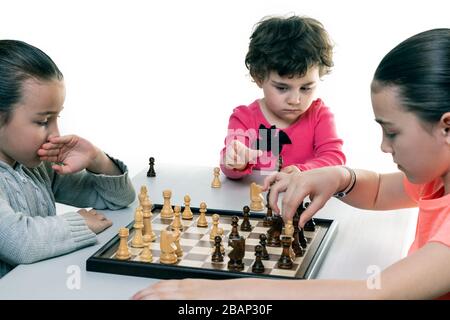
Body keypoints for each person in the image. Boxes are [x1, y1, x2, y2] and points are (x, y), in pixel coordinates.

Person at [133, 28, 450, 299]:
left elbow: (376, 292)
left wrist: (222, 292)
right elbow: (380, 191)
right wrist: (341, 177)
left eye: (392, 132)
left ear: (447, 127)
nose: (383, 145)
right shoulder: (435, 180)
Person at [0, 40, 136, 278]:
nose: (56, 134)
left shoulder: (37, 168)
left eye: (56, 118)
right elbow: (19, 241)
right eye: (43, 121)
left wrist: (96, 158)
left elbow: (117, 200)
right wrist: (80, 222)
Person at [220, 15, 346, 179]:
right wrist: (236, 161)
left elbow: (335, 160)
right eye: (282, 87)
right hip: (255, 202)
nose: (295, 100)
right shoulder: (243, 118)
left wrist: (301, 171)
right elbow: (229, 170)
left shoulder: (319, 116)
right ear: (259, 77)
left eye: (306, 88)